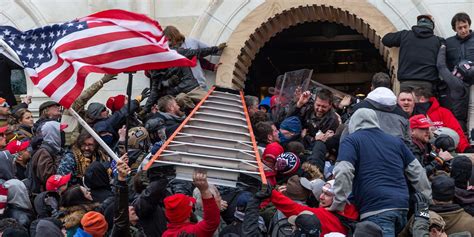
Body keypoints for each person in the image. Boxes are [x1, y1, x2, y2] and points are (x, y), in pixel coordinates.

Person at [330, 108, 431, 237]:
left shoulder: (351, 140)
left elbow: (344, 170)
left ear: (353, 123)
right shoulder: (395, 141)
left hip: (375, 209)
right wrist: (427, 200)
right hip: (401, 206)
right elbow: (418, 172)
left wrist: (338, 203)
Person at [382, 14, 443, 92]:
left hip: (407, 83)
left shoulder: (405, 35)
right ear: (431, 26)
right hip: (427, 84)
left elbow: (386, 40)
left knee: (406, 103)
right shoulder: (438, 41)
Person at [163, 25, 226, 91]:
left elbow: (200, 54)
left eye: (169, 39)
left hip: (200, 84)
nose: (169, 42)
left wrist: (212, 66)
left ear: (174, 35)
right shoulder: (171, 51)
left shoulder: (191, 41)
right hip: (184, 89)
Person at [162, 171, 220, 236]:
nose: (192, 209)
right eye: (191, 208)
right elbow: (212, 222)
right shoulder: (192, 231)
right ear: (188, 214)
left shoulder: (166, 234)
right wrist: (204, 190)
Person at [413, 88, 470, 153]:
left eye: (412, 99)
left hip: (445, 151)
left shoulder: (443, 112)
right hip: (420, 151)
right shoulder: (411, 112)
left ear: (422, 99)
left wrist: (465, 149)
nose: (408, 103)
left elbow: (457, 132)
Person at [437, 44, 472, 133]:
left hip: (452, 123)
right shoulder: (464, 86)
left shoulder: (456, 84)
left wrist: (443, 47)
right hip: (460, 124)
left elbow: (441, 66)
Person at [29, 121, 66, 193]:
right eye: (60, 131)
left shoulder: (53, 150)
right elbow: (48, 178)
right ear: (53, 133)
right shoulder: (44, 152)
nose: (63, 133)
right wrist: (60, 159)